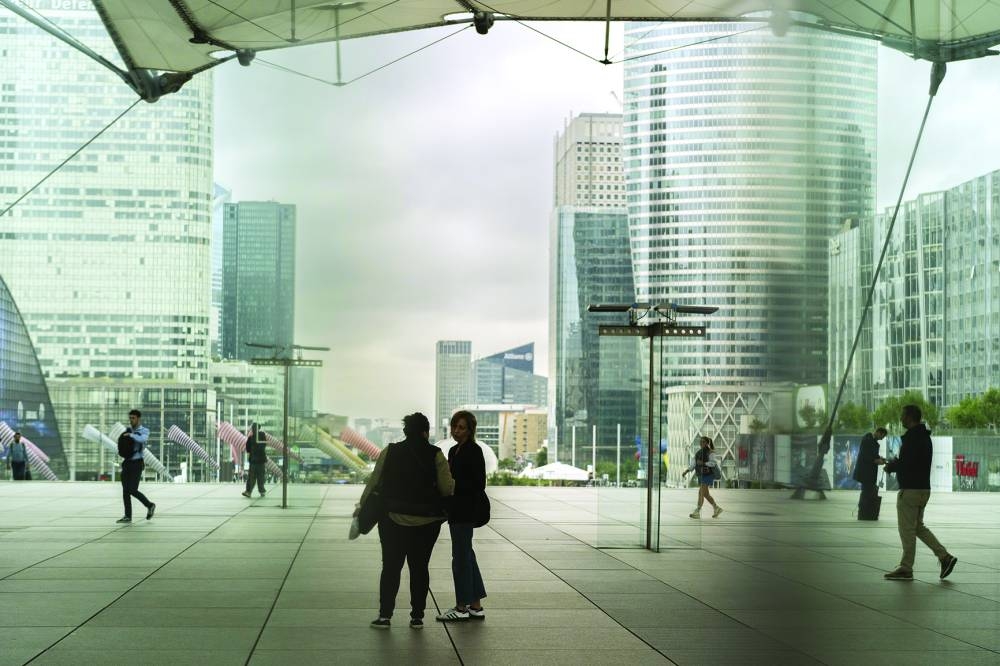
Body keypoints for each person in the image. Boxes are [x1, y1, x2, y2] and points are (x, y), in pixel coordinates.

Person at [357, 412, 454, 629]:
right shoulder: (436, 454)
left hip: (392, 519)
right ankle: (417, 616)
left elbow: (374, 482)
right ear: (425, 432)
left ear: (404, 431)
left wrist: (361, 508)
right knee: (419, 568)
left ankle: (385, 616)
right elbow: (447, 488)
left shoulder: (390, 451)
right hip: (426, 523)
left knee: (391, 567)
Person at [879, 405, 957, 580]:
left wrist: (892, 466)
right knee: (918, 527)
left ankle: (906, 568)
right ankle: (944, 557)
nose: (901, 419)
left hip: (911, 490)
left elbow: (907, 463)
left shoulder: (912, 439)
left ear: (910, 417)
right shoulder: (924, 438)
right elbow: (913, 461)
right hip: (923, 489)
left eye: (903, 415)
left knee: (907, 529)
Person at [436, 410, 488, 623]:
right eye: (455, 426)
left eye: (461, 427)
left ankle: (461, 607)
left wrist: (455, 485)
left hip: (465, 511)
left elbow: (479, 483)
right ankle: (475, 605)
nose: (457, 431)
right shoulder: (454, 451)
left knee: (460, 559)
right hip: (457, 510)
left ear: (470, 430)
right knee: (467, 555)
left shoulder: (473, 451)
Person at [117, 409, 155, 524]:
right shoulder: (127, 430)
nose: (131, 420)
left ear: (138, 419)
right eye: (130, 418)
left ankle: (150, 505)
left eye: (133, 418)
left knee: (132, 489)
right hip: (127, 463)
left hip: (137, 463)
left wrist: (131, 435)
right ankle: (127, 516)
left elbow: (143, 439)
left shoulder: (144, 431)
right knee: (125, 491)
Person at [681, 436, 722, 519]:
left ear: (707, 443)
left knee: (701, 493)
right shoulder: (698, 453)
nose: (701, 443)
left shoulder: (710, 452)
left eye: (703, 442)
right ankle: (716, 508)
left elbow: (713, 463)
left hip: (708, 475)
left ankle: (697, 511)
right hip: (701, 475)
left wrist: (703, 463)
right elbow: (693, 464)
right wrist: (686, 471)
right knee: (706, 494)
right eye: (700, 442)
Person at [852, 427, 886, 519]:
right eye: (881, 436)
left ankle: (865, 512)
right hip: (865, 472)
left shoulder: (873, 441)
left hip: (869, 472)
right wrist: (876, 460)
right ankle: (863, 512)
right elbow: (865, 455)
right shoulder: (867, 439)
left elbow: (872, 454)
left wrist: (880, 458)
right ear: (878, 432)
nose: (881, 439)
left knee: (868, 490)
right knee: (866, 491)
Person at [242, 423, 267, 498]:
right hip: (256, 460)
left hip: (257, 460)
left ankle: (256, 491)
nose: (253, 430)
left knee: (256, 477)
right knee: (256, 476)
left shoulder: (258, 436)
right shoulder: (254, 437)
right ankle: (253, 491)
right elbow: (248, 449)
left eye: (254, 428)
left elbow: (248, 449)